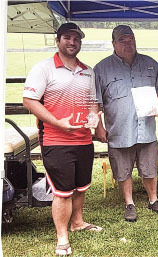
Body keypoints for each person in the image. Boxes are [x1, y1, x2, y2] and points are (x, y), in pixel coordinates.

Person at [23, 23, 103, 256]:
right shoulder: (44, 68)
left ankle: (77, 222)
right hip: (56, 140)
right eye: (67, 38)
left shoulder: (88, 70)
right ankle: (62, 237)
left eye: (76, 39)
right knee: (62, 191)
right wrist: (57, 123)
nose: (72, 42)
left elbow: (93, 102)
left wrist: (94, 119)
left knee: (81, 186)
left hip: (83, 139)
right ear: (57, 41)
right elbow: (30, 100)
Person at [94, 25, 158, 222]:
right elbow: (96, 101)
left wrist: (154, 101)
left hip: (146, 129)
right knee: (122, 168)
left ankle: (153, 200)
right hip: (119, 129)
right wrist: (99, 127)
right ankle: (129, 203)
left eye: (131, 40)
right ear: (113, 44)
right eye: (122, 41)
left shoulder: (150, 64)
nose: (128, 44)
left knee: (149, 166)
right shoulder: (102, 68)